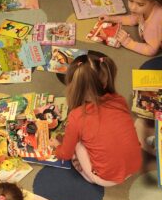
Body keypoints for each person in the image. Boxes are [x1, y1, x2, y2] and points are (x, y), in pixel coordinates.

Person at [51, 53, 142, 186]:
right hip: (135, 165)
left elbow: (65, 154)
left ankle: (90, 176)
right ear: (105, 81)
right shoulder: (119, 100)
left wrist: (57, 147)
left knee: (78, 144)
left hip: (107, 178)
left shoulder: (76, 116)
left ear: (73, 87)